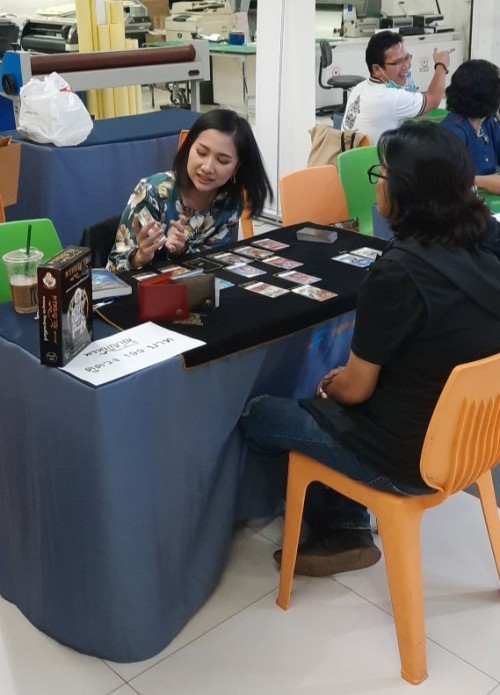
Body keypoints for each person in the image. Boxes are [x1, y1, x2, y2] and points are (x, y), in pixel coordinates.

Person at [239, 122, 500, 578]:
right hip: (478, 444)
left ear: (405, 192)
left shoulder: (398, 273)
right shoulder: (488, 242)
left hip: (409, 459)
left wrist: (335, 385)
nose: (377, 183)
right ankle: (345, 518)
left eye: (382, 174)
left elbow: (356, 391)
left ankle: (340, 522)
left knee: (261, 413)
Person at [107, 109, 273, 272]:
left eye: (222, 161)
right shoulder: (152, 192)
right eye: (201, 152)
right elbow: (113, 268)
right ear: (189, 148)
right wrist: (140, 257)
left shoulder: (229, 201)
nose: (207, 168)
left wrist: (182, 250)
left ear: (237, 167)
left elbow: (216, 264)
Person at [342, 31, 451, 144]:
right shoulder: (389, 98)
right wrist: (441, 65)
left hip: (352, 158)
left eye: (407, 58)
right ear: (377, 69)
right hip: (374, 160)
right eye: (398, 62)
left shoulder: (360, 87)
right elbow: (433, 100)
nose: (407, 66)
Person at [441, 59, 500, 195]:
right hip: (462, 206)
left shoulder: (488, 123)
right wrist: (482, 181)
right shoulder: (453, 132)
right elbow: (447, 179)